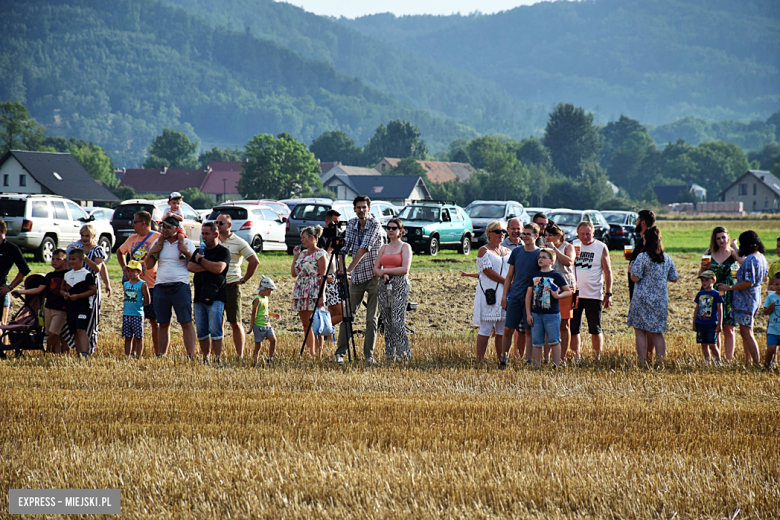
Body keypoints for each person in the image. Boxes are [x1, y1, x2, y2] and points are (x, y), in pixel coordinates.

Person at [334, 196, 386, 365]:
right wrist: (340, 267)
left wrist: (348, 269)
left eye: (364, 207)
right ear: (354, 209)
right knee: (348, 315)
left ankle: (368, 357)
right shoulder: (351, 224)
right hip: (357, 277)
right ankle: (340, 354)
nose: (361, 210)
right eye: (358, 207)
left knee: (372, 319)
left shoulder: (374, 224)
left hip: (374, 276)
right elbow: (345, 247)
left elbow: (364, 248)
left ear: (369, 209)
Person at [145, 216, 197, 357]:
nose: (164, 230)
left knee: (186, 322)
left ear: (176, 228)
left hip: (180, 286)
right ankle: (162, 355)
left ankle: (190, 355)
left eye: (168, 227)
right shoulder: (158, 242)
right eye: (163, 227)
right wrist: (153, 251)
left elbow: (193, 264)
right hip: (161, 287)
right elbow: (149, 266)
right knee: (163, 323)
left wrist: (185, 251)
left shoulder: (186, 242)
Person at [627, 226, 679, 365]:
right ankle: (660, 362)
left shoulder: (643, 257)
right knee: (658, 332)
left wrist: (631, 270)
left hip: (642, 298)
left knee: (640, 331)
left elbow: (635, 278)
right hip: (660, 299)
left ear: (646, 240)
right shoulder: (666, 258)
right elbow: (674, 278)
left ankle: (643, 361)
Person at [717, 230, 768, 367]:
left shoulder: (751, 259)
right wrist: (735, 246)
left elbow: (748, 282)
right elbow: (765, 277)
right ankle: (749, 362)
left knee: (747, 332)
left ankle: (756, 363)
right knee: (746, 332)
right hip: (755, 297)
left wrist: (730, 288)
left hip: (747, 299)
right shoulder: (761, 257)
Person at [216, 213, 260, 359]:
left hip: (231, 286)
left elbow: (254, 261)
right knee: (217, 322)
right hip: (215, 287)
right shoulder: (213, 240)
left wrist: (243, 280)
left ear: (229, 225)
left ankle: (240, 356)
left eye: (221, 223)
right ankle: (216, 355)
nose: (217, 225)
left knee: (235, 322)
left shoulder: (239, 242)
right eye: (216, 222)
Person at [117, 211, 161, 355]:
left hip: (152, 285)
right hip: (135, 287)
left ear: (143, 223)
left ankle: (158, 352)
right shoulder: (132, 239)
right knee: (135, 320)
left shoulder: (157, 237)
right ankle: (135, 353)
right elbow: (119, 252)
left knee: (154, 322)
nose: (132, 225)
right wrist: (125, 269)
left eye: (134, 222)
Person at [11, 248, 69, 354]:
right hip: (48, 307)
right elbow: (39, 289)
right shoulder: (49, 276)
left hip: (61, 308)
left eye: (58, 259)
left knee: (53, 333)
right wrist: (22, 291)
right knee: (52, 333)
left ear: (65, 261)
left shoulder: (68, 275)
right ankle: (56, 355)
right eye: (53, 259)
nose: (54, 261)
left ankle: (48, 353)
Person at [468, 220, 510, 362]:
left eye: (503, 231)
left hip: (505, 294)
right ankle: (479, 360)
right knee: (485, 328)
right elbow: (487, 271)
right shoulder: (483, 250)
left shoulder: (507, 251)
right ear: (489, 234)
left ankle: (501, 359)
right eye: (498, 231)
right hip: (490, 293)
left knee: (501, 330)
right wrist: (506, 282)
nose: (501, 234)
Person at [570, 221, 613, 360]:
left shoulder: (601, 247)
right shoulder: (573, 245)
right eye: (582, 234)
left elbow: (607, 271)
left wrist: (608, 293)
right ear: (577, 234)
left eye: (588, 233)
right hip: (575, 293)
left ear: (593, 233)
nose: (585, 237)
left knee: (595, 328)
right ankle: (575, 356)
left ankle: (596, 357)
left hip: (594, 294)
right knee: (573, 328)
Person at [188, 222, 230, 363]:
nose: (204, 236)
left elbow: (219, 269)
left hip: (217, 297)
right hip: (199, 296)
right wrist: (207, 265)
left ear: (216, 234)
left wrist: (201, 261)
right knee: (201, 330)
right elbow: (190, 266)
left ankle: (217, 358)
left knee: (215, 329)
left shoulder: (223, 252)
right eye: (203, 234)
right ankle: (206, 357)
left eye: (207, 234)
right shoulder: (199, 251)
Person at [372, 218, 413, 362]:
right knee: (387, 322)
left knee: (397, 321)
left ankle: (404, 356)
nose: (390, 230)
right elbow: (376, 269)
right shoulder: (383, 248)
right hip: (384, 285)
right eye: (388, 227)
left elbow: (405, 269)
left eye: (394, 228)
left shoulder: (405, 247)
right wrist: (384, 274)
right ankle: (390, 356)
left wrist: (388, 272)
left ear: (400, 231)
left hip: (399, 284)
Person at [501, 222, 541, 366]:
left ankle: (528, 360)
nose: (525, 236)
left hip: (531, 300)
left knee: (528, 330)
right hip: (515, 297)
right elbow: (509, 276)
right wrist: (504, 296)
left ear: (536, 236)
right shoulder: (517, 252)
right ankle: (503, 359)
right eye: (524, 234)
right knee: (508, 329)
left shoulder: (540, 254)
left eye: (528, 234)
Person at [697, 226, 740, 362]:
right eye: (718, 238)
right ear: (714, 240)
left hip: (729, 293)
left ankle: (728, 360)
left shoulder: (733, 254)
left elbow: (743, 265)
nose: (721, 240)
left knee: (729, 328)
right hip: (711, 294)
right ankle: (718, 359)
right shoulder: (708, 253)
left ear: (728, 237)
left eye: (723, 237)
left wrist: (736, 247)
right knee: (715, 328)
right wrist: (703, 267)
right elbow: (700, 274)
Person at [67, 224, 111, 355]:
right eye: (82, 236)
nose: (84, 238)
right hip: (77, 283)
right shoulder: (78, 248)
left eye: (87, 236)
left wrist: (107, 284)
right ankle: (78, 350)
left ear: (93, 236)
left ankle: (89, 349)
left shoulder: (97, 249)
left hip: (91, 284)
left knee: (91, 317)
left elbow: (98, 268)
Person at [525, 248, 572, 368]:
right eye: (539, 257)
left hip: (552, 314)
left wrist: (558, 295)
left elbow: (568, 292)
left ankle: (556, 365)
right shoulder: (534, 275)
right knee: (536, 342)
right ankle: (536, 366)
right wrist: (529, 314)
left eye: (543, 257)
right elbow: (529, 295)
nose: (540, 259)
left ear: (551, 261)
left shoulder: (556, 275)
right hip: (536, 314)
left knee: (554, 340)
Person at [291, 225, 328, 358]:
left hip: (314, 289)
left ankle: (319, 354)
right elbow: (294, 274)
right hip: (301, 290)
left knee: (316, 324)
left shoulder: (320, 254)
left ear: (312, 238)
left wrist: (321, 295)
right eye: (301, 238)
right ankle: (310, 354)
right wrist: (295, 256)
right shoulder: (301, 253)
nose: (302, 240)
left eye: (304, 238)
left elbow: (324, 276)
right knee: (306, 324)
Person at [543, 223, 576, 360]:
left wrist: (554, 250)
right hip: (547, 286)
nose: (547, 238)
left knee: (564, 324)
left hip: (565, 287)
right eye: (545, 235)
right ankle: (546, 356)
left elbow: (568, 262)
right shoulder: (544, 248)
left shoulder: (568, 247)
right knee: (547, 322)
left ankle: (562, 357)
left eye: (550, 235)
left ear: (558, 236)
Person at [629, 210, 657, 361]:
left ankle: (648, 357)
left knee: (646, 327)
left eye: (637, 220)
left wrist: (632, 268)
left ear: (643, 223)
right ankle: (646, 356)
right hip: (639, 289)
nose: (636, 223)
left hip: (644, 289)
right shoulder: (643, 241)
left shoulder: (647, 243)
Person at [0, 219, 30, 350]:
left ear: (2, 232)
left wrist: (10, 287)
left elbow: (24, 270)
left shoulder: (11, 249)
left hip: (1, 291)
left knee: (2, 324)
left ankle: (3, 350)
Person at [61, 248, 97, 358]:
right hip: (71, 307)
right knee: (75, 332)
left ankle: (85, 353)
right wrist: (65, 294)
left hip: (84, 306)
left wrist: (78, 296)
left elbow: (93, 290)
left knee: (81, 329)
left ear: (81, 259)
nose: (71, 262)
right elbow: (62, 289)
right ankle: (78, 355)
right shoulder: (67, 274)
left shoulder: (87, 274)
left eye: (74, 259)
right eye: (70, 259)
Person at [693, 270, 724, 363]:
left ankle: (718, 361)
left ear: (713, 281)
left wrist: (720, 324)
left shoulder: (717, 294)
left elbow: (720, 309)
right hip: (700, 323)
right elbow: (696, 309)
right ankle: (707, 361)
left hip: (711, 323)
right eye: (702, 280)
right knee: (703, 344)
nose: (704, 282)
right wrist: (694, 323)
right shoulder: (700, 294)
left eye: (706, 280)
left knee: (712, 344)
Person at [122, 260, 150, 358]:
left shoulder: (142, 284)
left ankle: (138, 355)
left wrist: (140, 307)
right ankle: (127, 355)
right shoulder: (126, 284)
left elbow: (147, 300)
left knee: (139, 336)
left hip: (137, 314)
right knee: (127, 336)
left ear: (139, 272)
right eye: (128, 271)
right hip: (126, 313)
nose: (130, 273)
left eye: (133, 271)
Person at [250, 276, 281, 365]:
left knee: (273, 340)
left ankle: (270, 359)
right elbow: (254, 313)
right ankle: (255, 362)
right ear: (266, 289)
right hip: (259, 326)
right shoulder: (257, 299)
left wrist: (273, 314)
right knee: (258, 345)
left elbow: (265, 310)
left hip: (267, 325)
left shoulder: (265, 298)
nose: (271, 292)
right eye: (271, 290)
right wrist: (252, 326)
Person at [762, 273, 780, 369]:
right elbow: (765, 312)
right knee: (770, 349)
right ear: (773, 285)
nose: (779, 286)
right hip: (773, 330)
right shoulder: (771, 297)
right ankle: (766, 366)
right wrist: (770, 308)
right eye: (777, 284)